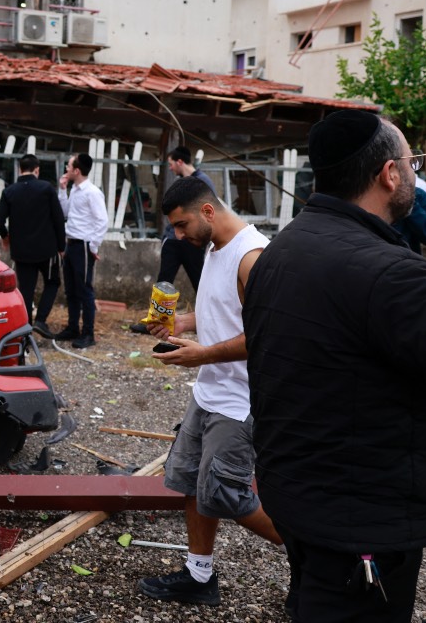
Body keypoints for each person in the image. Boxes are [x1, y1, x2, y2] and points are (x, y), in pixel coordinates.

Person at [243, 110, 426, 622]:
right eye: (412, 162)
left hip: (300, 499)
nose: (417, 175)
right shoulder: (389, 274)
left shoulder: (281, 250)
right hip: (362, 521)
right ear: (389, 174)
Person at [136, 176, 282, 607]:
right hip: (208, 392)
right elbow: (219, 312)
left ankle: (313, 549)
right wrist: (180, 324)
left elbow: (267, 336)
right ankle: (199, 576)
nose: (178, 236)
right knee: (191, 483)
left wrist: (203, 356)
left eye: (181, 226)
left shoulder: (252, 257)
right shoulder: (215, 249)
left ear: (207, 211)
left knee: (224, 492)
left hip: (241, 401)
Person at [131, 146, 217, 335]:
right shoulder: (181, 183)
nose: (169, 168)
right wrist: (169, 235)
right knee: (164, 281)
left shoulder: (202, 182)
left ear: (179, 162)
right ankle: (155, 321)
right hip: (172, 241)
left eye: (171, 164)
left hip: (192, 242)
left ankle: (210, 319)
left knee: (201, 282)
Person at [0, 154, 67, 337]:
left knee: (26, 290)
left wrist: (5, 237)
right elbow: (58, 219)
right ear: (37, 170)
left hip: (22, 251)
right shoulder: (46, 189)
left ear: (20, 169)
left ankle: (25, 333)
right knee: (52, 282)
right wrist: (61, 246)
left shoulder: (9, 191)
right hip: (46, 249)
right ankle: (41, 320)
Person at [56, 153, 108, 349]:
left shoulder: (92, 192)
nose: (67, 169)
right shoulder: (75, 190)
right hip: (71, 244)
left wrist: (93, 246)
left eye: (69, 166)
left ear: (77, 171)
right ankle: (72, 328)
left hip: (83, 245)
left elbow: (101, 221)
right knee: (71, 290)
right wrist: (62, 190)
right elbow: (67, 213)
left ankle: (88, 333)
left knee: (85, 290)